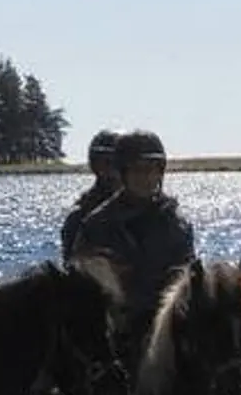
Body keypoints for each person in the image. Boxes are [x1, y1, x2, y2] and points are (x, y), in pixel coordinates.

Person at [69, 128, 197, 371]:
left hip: (165, 330)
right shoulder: (97, 226)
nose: (145, 178)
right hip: (111, 334)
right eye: (138, 170)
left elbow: (186, 279)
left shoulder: (177, 225)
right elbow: (79, 286)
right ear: (123, 174)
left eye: (152, 170)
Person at [61, 128, 126, 260]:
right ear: (95, 165)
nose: (111, 170)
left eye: (117, 163)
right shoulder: (79, 217)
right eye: (105, 162)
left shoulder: (151, 211)